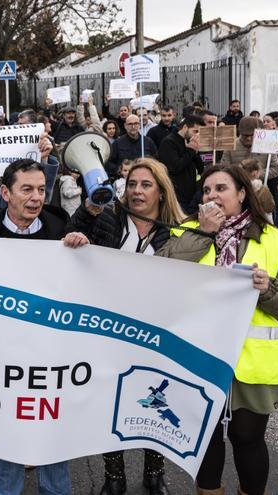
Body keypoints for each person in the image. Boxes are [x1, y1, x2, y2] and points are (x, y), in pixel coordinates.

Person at [158, 164, 278, 495]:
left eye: (221, 189)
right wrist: (202, 233)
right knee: (207, 434)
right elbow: (161, 275)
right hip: (198, 355)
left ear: (242, 194)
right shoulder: (185, 232)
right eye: (207, 190)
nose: (212, 196)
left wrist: (268, 288)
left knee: (247, 437)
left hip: (253, 361)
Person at [0, 158, 86, 495]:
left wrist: (80, 247)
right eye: (26, 190)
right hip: (3, 355)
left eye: (41, 189)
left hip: (51, 353)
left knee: (53, 431)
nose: (36, 197)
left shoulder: (59, 226)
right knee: (7, 434)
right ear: (5, 193)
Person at [66, 158, 184, 495]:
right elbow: (71, 233)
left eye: (146, 185)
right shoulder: (108, 219)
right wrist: (80, 226)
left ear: (161, 192)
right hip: (111, 331)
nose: (136, 191)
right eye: (132, 184)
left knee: (157, 401)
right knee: (110, 401)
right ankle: (113, 475)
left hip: (158, 331)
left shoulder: (177, 229)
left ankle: (154, 470)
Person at [157, 115, 203, 214]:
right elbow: (174, 167)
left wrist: (195, 152)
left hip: (191, 194)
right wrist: (190, 151)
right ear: (185, 127)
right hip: (176, 196)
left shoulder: (190, 143)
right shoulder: (169, 142)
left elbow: (200, 168)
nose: (197, 135)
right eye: (195, 131)